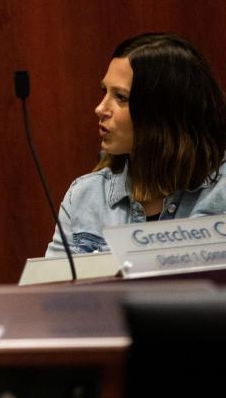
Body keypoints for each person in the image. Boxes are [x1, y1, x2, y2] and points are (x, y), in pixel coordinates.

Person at [46, 32, 226, 256]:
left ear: (164, 111)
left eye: (120, 97)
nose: (100, 109)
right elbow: (54, 288)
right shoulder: (84, 196)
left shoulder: (221, 190)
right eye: (105, 92)